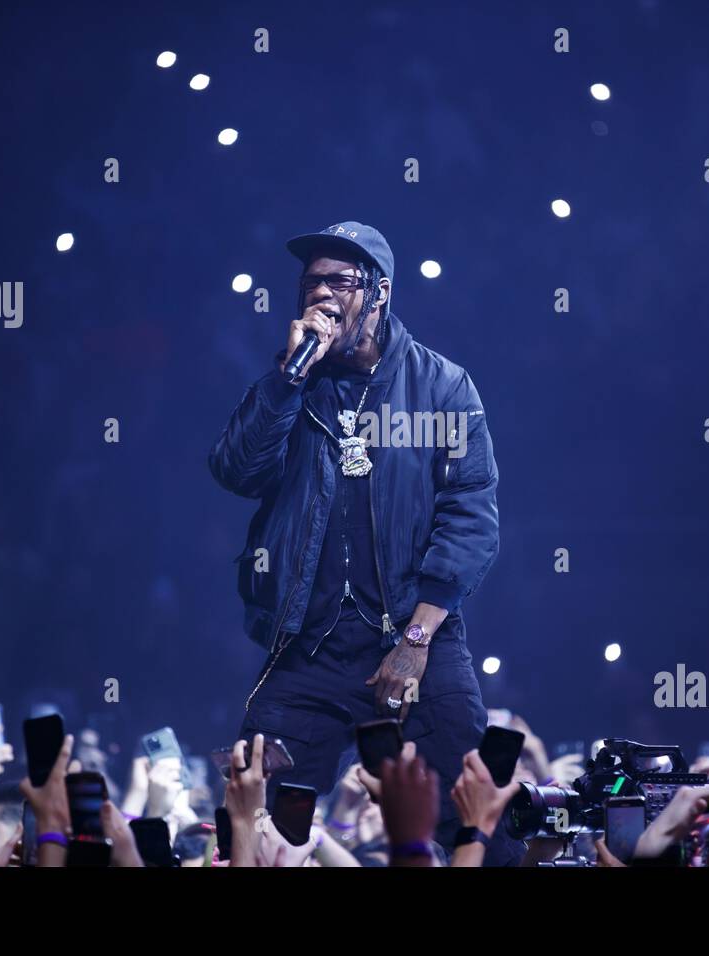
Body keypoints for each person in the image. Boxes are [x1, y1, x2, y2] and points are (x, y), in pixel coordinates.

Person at [210, 221, 519, 863]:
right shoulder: (292, 383)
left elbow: (471, 518)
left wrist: (416, 641)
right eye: (310, 283)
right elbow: (235, 470)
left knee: (470, 808)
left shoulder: (442, 387)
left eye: (338, 282)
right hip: (311, 645)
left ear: (378, 293)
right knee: (257, 807)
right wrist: (286, 381)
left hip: (414, 636)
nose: (319, 295)